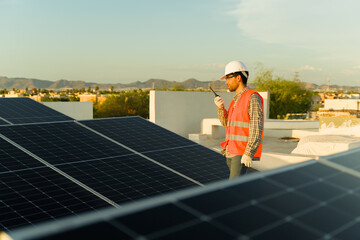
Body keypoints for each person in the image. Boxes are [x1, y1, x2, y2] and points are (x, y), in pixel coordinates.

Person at [214, 60, 264, 179]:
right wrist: (220, 108)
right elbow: (227, 124)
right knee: (237, 188)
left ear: (238, 78)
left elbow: (256, 128)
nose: (226, 82)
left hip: (241, 153)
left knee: (233, 188)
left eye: (228, 78)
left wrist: (248, 153)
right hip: (231, 151)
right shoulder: (235, 100)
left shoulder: (252, 97)